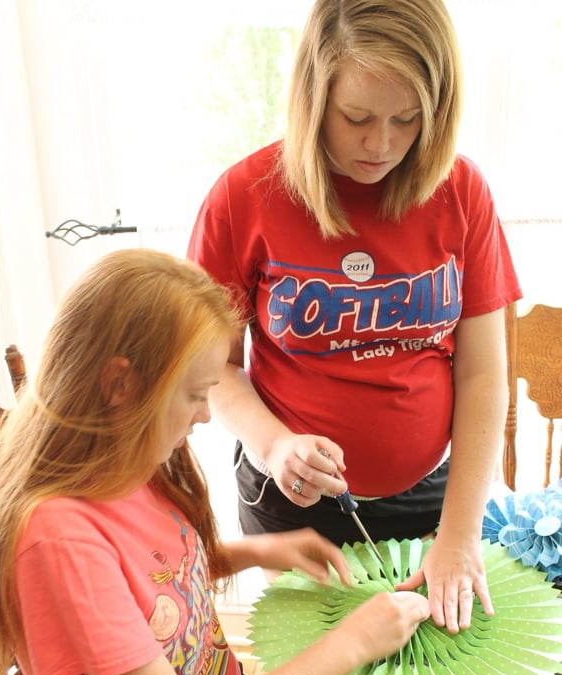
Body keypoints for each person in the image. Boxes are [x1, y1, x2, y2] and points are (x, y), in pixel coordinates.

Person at [0, 249, 428, 675]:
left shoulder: (124, 469)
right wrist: (348, 645)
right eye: (195, 394)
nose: (205, 416)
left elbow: (155, 578)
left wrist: (258, 551)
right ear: (121, 384)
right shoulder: (56, 540)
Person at [187, 0, 522, 637]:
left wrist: (460, 534)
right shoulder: (242, 197)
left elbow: (483, 377)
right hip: (292, 507)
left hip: (434, 499)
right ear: (314, 99)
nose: (382, 144)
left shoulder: (463, 191)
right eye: (356, 117)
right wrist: (274, 443)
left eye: (408, 119)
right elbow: (211, 372)